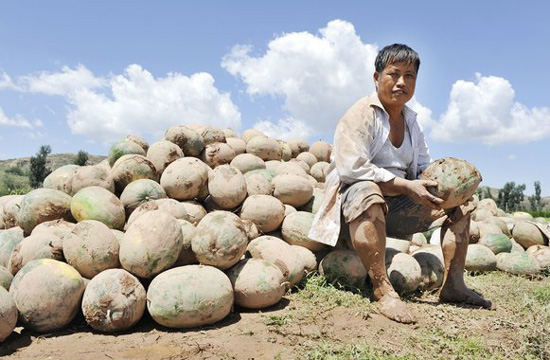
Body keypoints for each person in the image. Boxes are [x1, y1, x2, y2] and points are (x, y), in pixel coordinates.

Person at [309, 43, 493, 324]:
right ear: (376, 77)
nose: (401, 82)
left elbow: (422, 167)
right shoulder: (359, 115)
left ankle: (454, 285)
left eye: (410, 76)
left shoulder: (412, 122)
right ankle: (382, 289)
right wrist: (406, 186)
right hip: (354, 211)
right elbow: (352, 170)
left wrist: (443, 185)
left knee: (462, 206)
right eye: (394, 74)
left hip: (397, 207)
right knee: (368, 191)